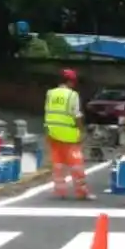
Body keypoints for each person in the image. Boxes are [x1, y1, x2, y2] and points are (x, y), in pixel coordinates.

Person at [44, 69, 95, 200]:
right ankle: (81, 192)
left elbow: (48, 111)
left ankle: (59, 191)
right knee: (76, 164)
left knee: (58, 163)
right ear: (70, 81)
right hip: (68, 134)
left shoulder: (50, 93)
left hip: (52, 132)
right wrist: (81, 131)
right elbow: (76, 115)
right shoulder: (72, 95)